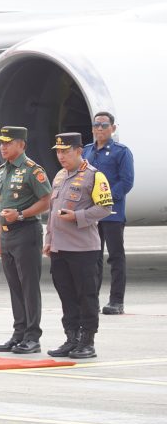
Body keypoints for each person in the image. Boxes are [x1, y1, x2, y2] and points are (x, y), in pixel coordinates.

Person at [44, 132, 114, 359]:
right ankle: (71, 338)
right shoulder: (59, 176)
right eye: (58, 151)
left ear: (78, 151)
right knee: (67, 296)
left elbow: (105, 208)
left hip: (83, 249)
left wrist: (78, 216)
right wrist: (49, 240)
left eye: (65, 151)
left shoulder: (94, 176)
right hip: (60, 249)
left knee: (86, 296)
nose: (61, 156)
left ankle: (87, 341)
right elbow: (52, 211)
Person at [0, 126, 52, 354]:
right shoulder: (1, 170)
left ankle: (32, 336)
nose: (3, 147)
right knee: (15, 286)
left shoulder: (32, 170)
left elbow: (46, 200)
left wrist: (21, 214)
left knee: (29, 286)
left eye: (8, 142)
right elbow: (1, 203)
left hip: (26, 231)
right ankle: (19, 333)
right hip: (7, 233)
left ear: (22, 144)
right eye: (1, 142)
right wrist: (0, 236)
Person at [82, 111, 134, 315]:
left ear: (113, 128)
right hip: (90, 214)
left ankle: (116, 301)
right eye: (96, 125)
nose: (100, 129)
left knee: (115, 257)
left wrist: (105, 199)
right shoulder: (86, 151)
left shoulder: (121, 152)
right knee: (92, 257)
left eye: (104, 125)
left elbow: (126, 181)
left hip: (112, 213)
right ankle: (91, 301)